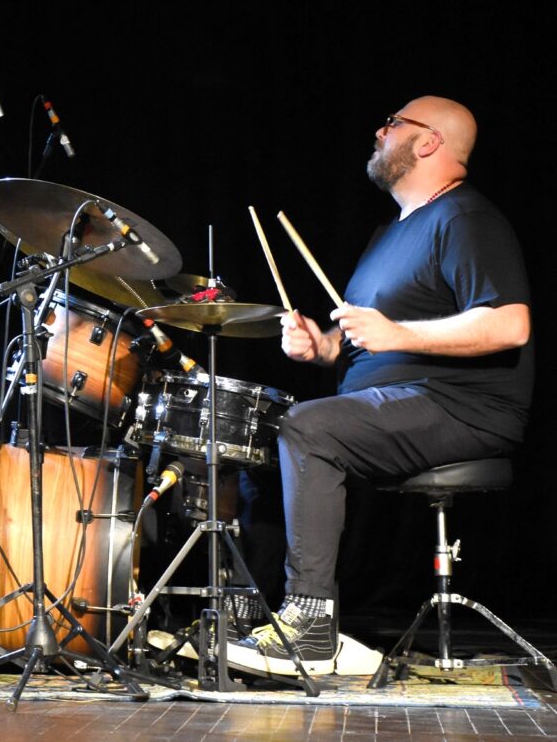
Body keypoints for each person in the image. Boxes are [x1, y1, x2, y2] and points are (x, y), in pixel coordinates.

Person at [226, 96, 533, 677]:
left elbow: (509, 324)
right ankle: (257, 615)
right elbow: (364, 342)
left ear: (429, 141)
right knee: (260, 437)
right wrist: (321, 347)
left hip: (461, 407)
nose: (379, 130)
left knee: (309, 428)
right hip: (388, 402)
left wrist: (398, 333)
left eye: (393, 123)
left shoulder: (466, 219)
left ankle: (311, 627)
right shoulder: (386, 235)